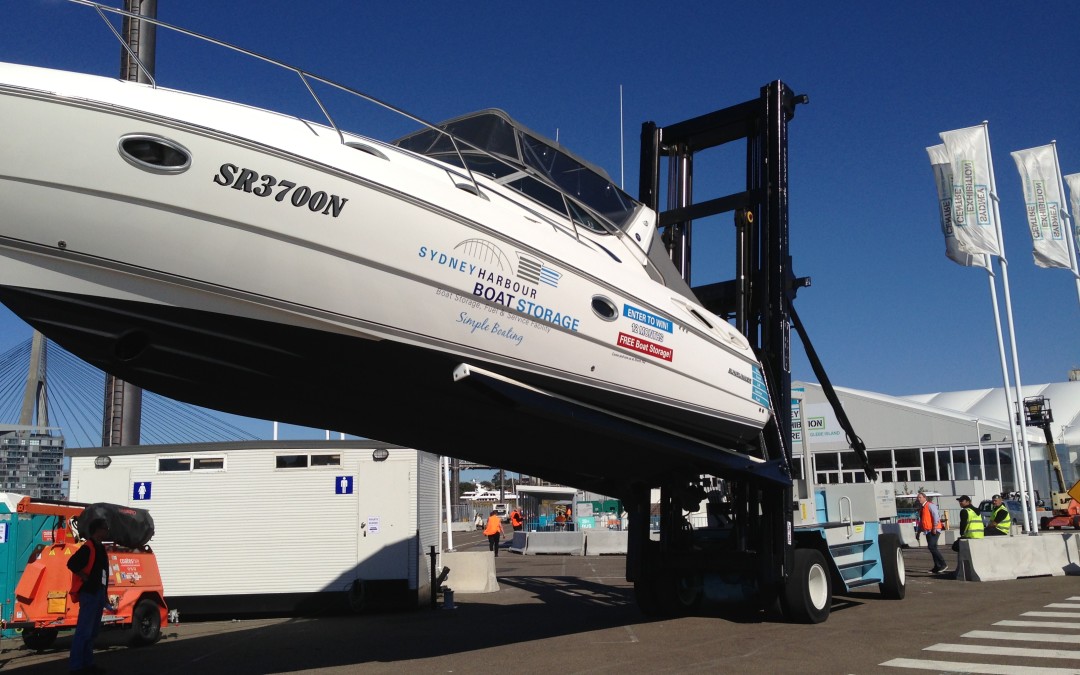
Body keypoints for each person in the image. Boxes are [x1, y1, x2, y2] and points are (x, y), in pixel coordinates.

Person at [67, 518, 110, 675]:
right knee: (84, 631)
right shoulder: (88, 547)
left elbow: (103, 572)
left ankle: (87, 663)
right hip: (89, 593)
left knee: (92, 632)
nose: (107, 531)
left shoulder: (100, 548)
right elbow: (71, 563)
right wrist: (84, 576)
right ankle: (76, 666)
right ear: (97, 530)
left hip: (98, 593)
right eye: (105, 528)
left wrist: (104, 593)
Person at [915, 491, 947, 574]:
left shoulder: (930, 505)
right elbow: (922, 521)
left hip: (934, 529)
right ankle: (937, 566)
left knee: (931, 546)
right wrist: (918, 532)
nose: (918, 499)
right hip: (927, 530)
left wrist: (935, 527)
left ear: (924, 498)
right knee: (933, 548)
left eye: (920, 497)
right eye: (918, 498)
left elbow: (936, 516)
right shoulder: (922, 508)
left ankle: (943, 564)